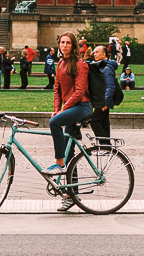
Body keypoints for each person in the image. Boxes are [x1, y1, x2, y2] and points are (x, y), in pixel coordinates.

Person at [47, 31, 93, 186]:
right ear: (59, 45)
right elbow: (57, 89)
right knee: (69, 152)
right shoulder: (60, 63)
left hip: (82, 106)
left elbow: (79, 91)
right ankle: (72, 193)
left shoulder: (80, 64)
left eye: (68, 43)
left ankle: (59, 163)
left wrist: (63, 110)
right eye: (62, 42)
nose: (64, 45)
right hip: (70, 108)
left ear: (73, 46)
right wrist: (56, 109)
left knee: (54, 122)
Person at [88, 42, 119, 145]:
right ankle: (106, 146)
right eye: (94, 52)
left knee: (95, 121)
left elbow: (110, 86)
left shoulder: (106, 68)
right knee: (104, 122)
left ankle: (104, 144)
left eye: (97, 52)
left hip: (103, 100)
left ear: (104, 54)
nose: (94, 54)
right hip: (102, 99)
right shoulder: (101, 66)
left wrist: (106, 102)